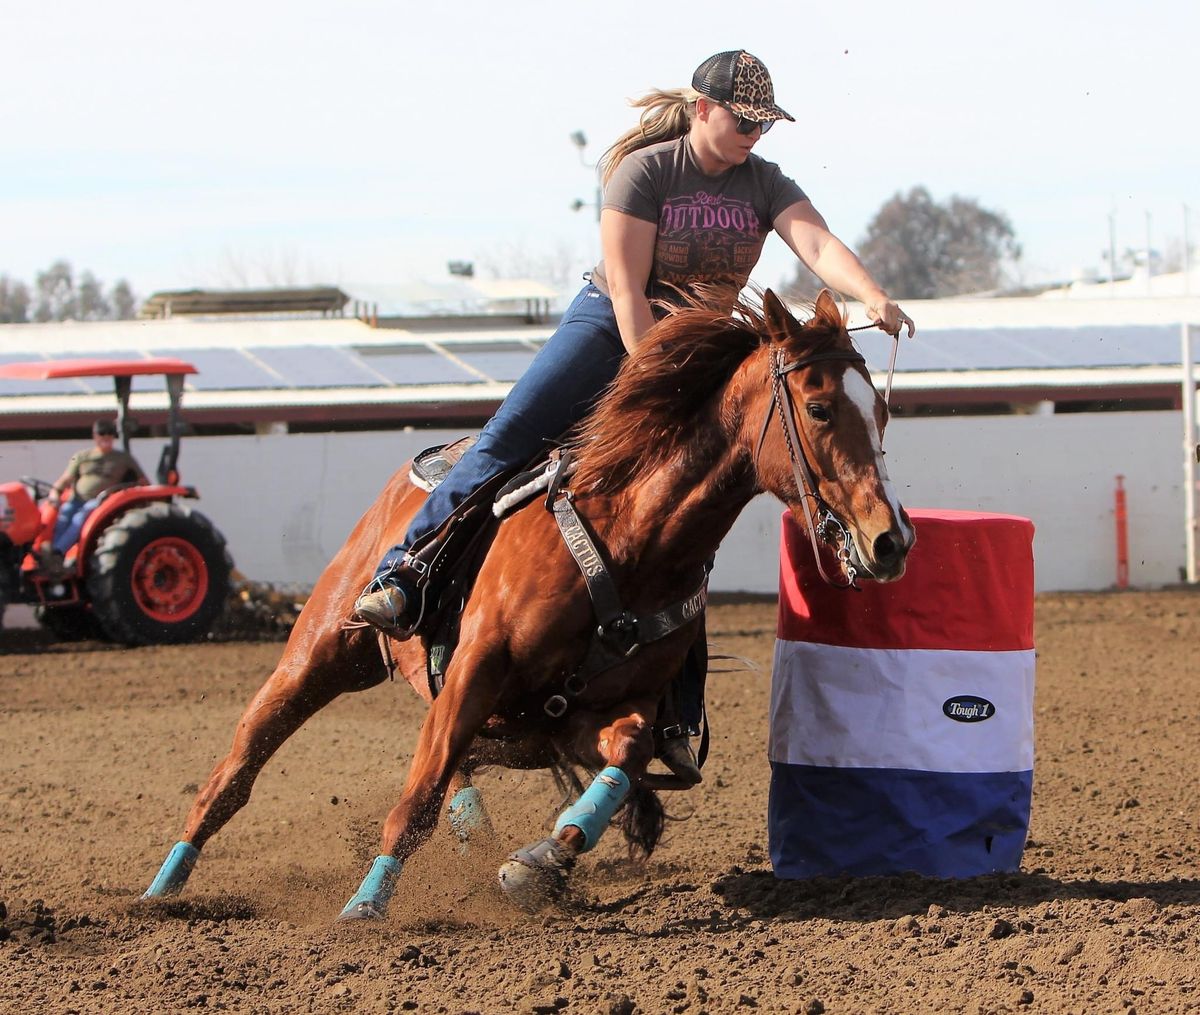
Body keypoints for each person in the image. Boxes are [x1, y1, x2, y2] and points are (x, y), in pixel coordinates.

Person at [354, 50, 915, 778]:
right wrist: (656, 378)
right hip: (613, 327)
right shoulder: (645, 171)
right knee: (509, 438)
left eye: (763, 123)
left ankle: (677, 710)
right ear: (703, 109)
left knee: (689, 522)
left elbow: (814, 241)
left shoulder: (766, 182)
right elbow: (625, 289)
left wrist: (870, 295)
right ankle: (406, 572)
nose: (754, 133)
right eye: (743, 119)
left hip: (701, 344)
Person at [45, 419, 149, 557]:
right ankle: (47, 551)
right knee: (64, 514)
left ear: (113, 436)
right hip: (77, 499)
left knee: (80, 517)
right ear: (95, 436)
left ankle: (57, 553)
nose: (106, 437)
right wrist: (55, 492)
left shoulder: (123, 458)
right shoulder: (81, 456)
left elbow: (143, 480)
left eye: (110, 433)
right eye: (102, 433)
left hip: (102, 501)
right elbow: (66, 478)